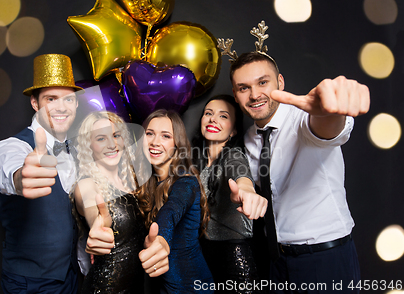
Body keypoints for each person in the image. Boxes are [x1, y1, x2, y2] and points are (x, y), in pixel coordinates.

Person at [229, 21, 369, 293]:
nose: (255, 94)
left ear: (280, 82)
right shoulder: (247, 139)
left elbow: (326, 131)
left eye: (263, 82)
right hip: (277, 261)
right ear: (235, 95)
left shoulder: (304, 119)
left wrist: (330, 111)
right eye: (243, 87)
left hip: (326, 259)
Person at [0, 54, 83, 293]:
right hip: (30, 284)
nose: (61, 107)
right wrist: (20, 178)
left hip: (73, 277)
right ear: (34, 103)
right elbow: (5, 166)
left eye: (68, 99)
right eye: (51, 98)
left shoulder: (78, 148)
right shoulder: (13, 146)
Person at [192, 94, 267, 293]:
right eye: (208, 113)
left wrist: (246, 189)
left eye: (223, 116)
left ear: (233, 130)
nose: (213, 119)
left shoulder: (234, 155)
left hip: (235, 257)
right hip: (204, 255)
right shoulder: (195, 163)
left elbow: (240, 173)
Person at [137, 109, 214, 294]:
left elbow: (171, 211)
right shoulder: (148, 183)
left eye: (165, 136)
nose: (155, 142)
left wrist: (161, 239)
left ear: (176, 144)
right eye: (149, 134)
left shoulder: (186, 182)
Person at [72, 111, 147, 293]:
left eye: (116, 135)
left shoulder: (134, 182)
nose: (112, 144)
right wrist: (96, 226)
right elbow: (89, 201)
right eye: (101, 138)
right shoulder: (87, 184)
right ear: (89, 145)